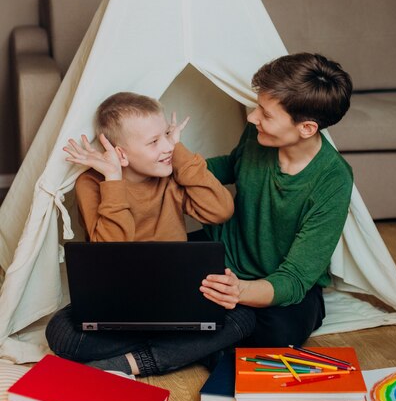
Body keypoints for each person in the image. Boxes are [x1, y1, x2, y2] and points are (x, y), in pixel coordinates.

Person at [46, 92, 255, 376]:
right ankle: (188, 348)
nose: (167, 145)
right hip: (119, 300)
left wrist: (179, 152)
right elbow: (110, 255)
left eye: (167, 135)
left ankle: (133, 363)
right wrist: (114, 181)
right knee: (61, 334)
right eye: (154, 142)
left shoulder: (170, 176)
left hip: (177, 296)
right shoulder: (92, 184)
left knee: (245, 318)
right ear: (121, 154)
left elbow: (220, 210)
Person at [194, 52, 354, 347]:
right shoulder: (259, 134)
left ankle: (209, 335)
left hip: (278, 281)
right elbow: (233, 165)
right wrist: (177, 168)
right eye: (258, 107)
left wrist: (238, 291)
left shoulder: (333, 180)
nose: (253, 117)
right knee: (154, 278)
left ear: (306, 128)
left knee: (279, 335)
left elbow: (294, 279)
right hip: (223, 253)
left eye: (266, 114)